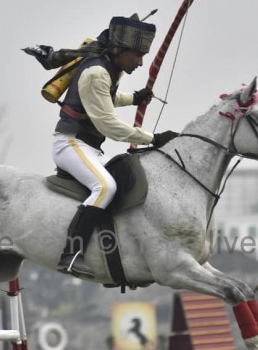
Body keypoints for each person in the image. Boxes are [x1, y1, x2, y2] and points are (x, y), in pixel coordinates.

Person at [47, 15, 179, 278]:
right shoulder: (96, 73)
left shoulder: (108, 68)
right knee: (105, 187)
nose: (141, 63)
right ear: (120, 50)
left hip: (87, 147)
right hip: (70, 143)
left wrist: (134, 98)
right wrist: (152, 138)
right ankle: (71, 255)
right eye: (138, 55)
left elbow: (105, 98)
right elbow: (108, 123)